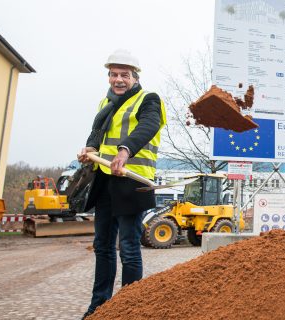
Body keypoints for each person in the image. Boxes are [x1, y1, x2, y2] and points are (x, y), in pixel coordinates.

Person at [78, 49, 166, 318]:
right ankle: (100, 307)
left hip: (132, 183)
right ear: (108, 77)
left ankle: (130, 309)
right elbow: (98, 133)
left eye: (124, 75)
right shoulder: (105, 105)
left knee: (128, 246)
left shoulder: (148, 99)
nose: (118, 79)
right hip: (105, 182)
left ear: (135, 77)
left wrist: (125, 151)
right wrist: (89, 149)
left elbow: (148, 127)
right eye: (114, 74)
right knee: (102, 246)